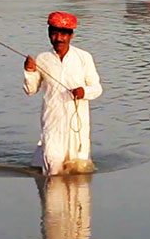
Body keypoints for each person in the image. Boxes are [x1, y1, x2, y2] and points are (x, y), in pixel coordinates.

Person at [24, 11, 102, 175]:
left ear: (71, 35)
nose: (59, 38)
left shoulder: (83, 57)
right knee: (53, 169)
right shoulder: (43, 58)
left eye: (63, 34)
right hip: (52, 123)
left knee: (79, 172)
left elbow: (97, 88)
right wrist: (30, 71)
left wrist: (83, 92)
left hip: (78, 127)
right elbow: (31, 90)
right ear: (49, 34)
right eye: (54, 33)